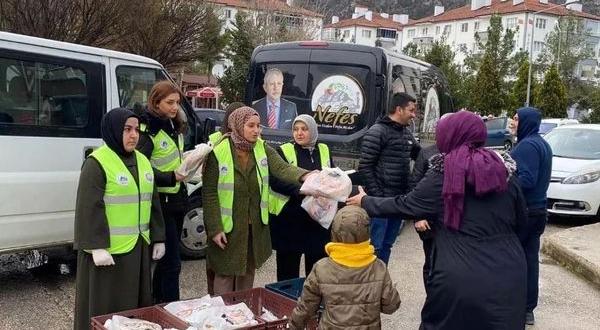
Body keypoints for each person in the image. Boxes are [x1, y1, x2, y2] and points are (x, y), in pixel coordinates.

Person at [347, 110, 529, 329]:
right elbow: (522, 222)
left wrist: (366, 201)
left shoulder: (446, 172)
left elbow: (406, 205)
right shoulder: (504, 170)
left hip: (460, 275)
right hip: (510, 273)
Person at [202, 106, 312, 294]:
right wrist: (214, 228)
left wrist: (307, 175)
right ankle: (223, 317)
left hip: (254, 226)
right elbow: (210, 193)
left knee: (247, 271)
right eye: (250, 126)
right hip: (228, 227)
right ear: (237, 126)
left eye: (258, 126)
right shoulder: (218, 151)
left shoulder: (261, 147)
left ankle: (244, 311)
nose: (256, 131)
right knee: (225, 273)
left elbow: (282, 168)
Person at [73, 108, 165, 330]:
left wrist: (159, 236)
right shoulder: (97, 163)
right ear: (113, 130)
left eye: (136, 129)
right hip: (107, 254)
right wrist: (96, 247)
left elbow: (152, 201)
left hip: (138, 249)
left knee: (134, 307)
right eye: (127, 129)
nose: (134, 135)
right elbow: (88, 207)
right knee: (104, 308)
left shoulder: (142, 161)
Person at [289, 205, 401, 329]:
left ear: (334, 232)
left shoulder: (322, 268)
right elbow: (391, 306)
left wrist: (294, 326)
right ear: (367, 232)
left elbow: (306, 308)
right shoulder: (379, 267)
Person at [136, 81, 187, 304]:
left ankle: (156, 301)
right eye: (170, 102)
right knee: (172, 263)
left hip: (176, 200)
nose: (175, 107)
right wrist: (170, 177)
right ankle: (171, 308)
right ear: (156, 102)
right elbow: (141, 167)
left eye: (177, 102)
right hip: (161, 204)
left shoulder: (173, 126)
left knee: (166, 261)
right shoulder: (148, 131)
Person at [358, 92, 420, 265]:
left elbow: (421, 156)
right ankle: (368, 284)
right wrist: (377, 197)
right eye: (411, 110)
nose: (414, 115)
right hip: (380, 205)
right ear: (399, 109)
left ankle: (381, 281)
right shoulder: (377, 132)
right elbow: (365, 167)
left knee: (387, 245)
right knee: (374, 246)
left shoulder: (406, 134)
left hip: (397, 202)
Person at [269, 114, 333, 281]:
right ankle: (285, 303)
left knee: (316, 271)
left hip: (317, 221)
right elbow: (275, 182)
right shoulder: (283, 150)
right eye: (296, 129)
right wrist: (303, 190)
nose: (299, 133)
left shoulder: (324, 149)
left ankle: (312, 304)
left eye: (304, 129)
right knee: (287, 271)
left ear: (312, 130)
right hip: (291, 220)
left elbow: (331, 176)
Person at [509, 107, 553, 326]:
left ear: (526, 121)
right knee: (529, 259)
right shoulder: (541, 143)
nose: (512, 122)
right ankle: (527, 308)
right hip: (538, 211)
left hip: (525, 212)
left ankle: (517, 305)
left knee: (514, 257)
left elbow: (527, 180)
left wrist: (503, 180)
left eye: (516, 119)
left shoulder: (527, 146)